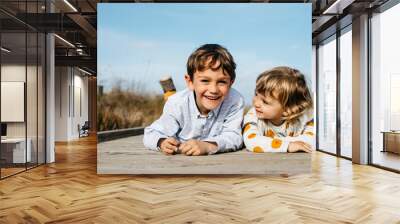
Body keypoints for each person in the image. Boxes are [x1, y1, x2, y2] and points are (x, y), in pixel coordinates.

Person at [143, 44, 244, 156]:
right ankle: (169, 92)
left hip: (215, 166)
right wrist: (162, 142)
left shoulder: (235, 101)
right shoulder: (177, 103)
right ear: (190, 82)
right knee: (172, 101)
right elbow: (151, 133)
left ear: (231, 83)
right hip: (180, 162)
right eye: (205, 80)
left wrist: (208, 146)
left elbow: (234, 136)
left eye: (222, 82)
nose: (213, 90)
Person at [243, 66, 314, 153]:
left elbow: (313, 139)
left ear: (288, 109)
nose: (256, 103)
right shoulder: (253, 116)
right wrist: (287, 145)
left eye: (265, 102)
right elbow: (251, 141)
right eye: (256, 94)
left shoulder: (303, 118)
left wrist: (270, 142)